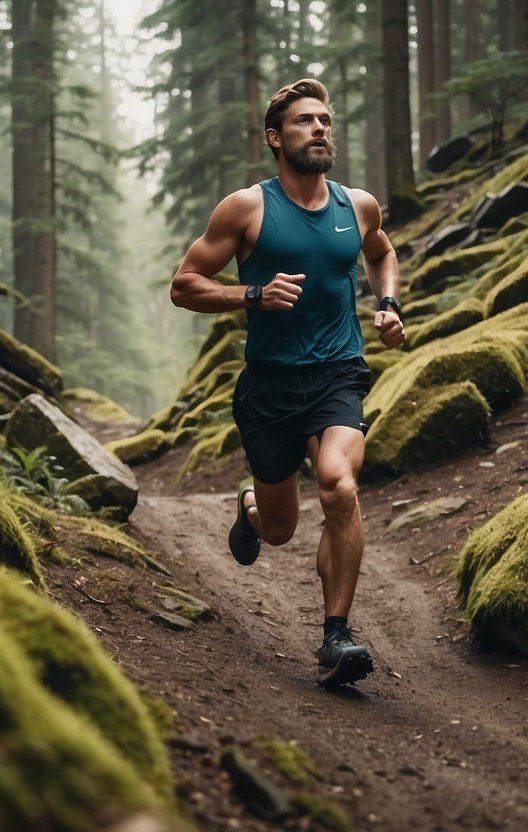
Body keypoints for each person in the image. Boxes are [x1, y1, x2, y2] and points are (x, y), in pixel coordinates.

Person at [170, 78, 405, 688]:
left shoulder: (357, 206)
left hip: (337, 374)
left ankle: (337, 636)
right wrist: (252, 293)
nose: (320, 128)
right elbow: (184, 284)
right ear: (276, 137)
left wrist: (388, 303)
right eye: (305, 121)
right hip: (270, 387)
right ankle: (252, 508)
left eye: (325, 119)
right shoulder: (246, 208)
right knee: (281, 530)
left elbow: (382, 252)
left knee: (339, 486)